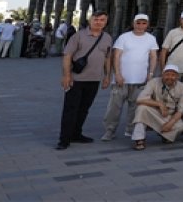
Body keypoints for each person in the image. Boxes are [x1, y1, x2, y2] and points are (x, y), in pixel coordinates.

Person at [56, 12, 113, 150]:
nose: (98, 22)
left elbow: (107, 58)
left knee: (84, 108)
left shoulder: (107, 38)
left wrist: (107, 76)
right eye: (96, 19)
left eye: (102, 20)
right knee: (71, 109)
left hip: (94, 79)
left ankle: (76, 133)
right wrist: (66, 75)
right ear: (90, 20)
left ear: (105, 22)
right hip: (77, 79)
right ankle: (64, 139)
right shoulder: (78, 36)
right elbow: (67, 55)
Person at [101, 13, 159, 141]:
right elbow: (116, 56)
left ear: (147, 25)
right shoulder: (124, 37)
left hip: (140, 79)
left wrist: (150, 74)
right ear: (133, 23)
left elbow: (153, 57)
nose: (140, 26)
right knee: (114, 107)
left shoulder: (151, 39)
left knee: (135, 107)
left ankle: (130, 129)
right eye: (138, 23)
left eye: (143, 23)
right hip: (122, 79)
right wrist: (117, 74)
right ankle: (109, 130)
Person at [131, 63, 183, 150]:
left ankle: (164, 134)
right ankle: (139, 139)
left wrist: (170, 123)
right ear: (162, 74)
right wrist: (159, 104)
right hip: (155, 112)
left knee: (180, 126)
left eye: (173, 75)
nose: (170, 77)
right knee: (142, 108)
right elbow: (140, 100)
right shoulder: (153, 82)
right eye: (167, 74)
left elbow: (181, 110)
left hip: (170, 116)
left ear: (177, 77)